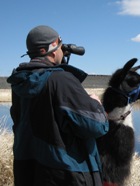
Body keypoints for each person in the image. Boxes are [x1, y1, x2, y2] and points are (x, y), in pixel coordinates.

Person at [7, 25, 109, 186]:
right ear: (54, 48)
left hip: (28, 170)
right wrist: (96, 104)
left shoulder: (20, 82)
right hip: (66, 174)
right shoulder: (61, 80)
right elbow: (96, 126)